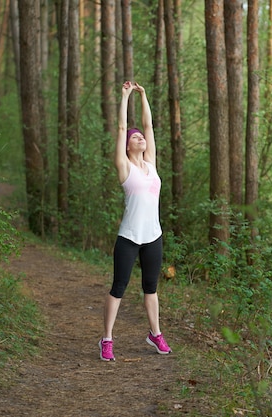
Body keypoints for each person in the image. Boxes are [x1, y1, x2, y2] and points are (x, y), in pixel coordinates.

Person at [99, 81, 172, 361]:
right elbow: (120, 128)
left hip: (153, 236)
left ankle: (155, 333)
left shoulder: (151, 164)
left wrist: (143, 96)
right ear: (128, 145)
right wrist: (125, 96)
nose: (141, 137)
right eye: (135, 137)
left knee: (151, 289)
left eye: (141, 137)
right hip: (129, 238)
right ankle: (107, 339)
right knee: (119, 288)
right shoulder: (124, 167)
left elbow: (150, 126)